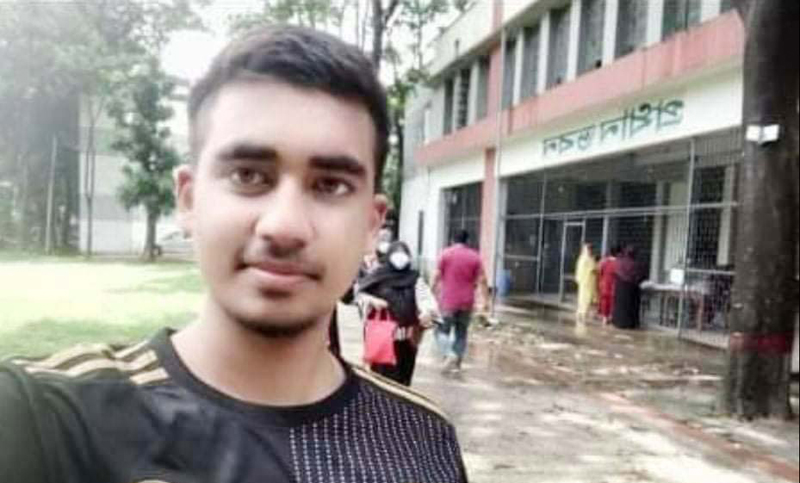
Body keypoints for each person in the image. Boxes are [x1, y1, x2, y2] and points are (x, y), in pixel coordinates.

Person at [0, 26, 468, 483]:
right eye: (248, 175)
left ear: (371, 223)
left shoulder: (422, 441)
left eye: (330, 185)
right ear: (188, 199)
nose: (284, 226)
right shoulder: (46, 419)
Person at [357, 241, 440, 386]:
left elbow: (425, 297)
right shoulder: (377, 277)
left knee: (403, 379)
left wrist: (426, 311)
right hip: (383, 339)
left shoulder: (414, 278)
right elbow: (358, 295)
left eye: (403, 255)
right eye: (397, 254)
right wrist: (372, 301)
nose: (400, 259)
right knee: (382, 380)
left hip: (407, 340)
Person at [432, 230, 489, 374]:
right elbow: (483, 280)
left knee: (440, 330)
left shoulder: (445, 254)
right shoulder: (475, 257)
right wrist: (485, 301)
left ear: (452, 240)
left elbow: (436, 276)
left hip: (448, 301)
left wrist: (431, 293)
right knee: (461, 333)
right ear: (467, 241)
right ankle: (456, 365)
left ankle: (449, 354)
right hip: (467, 302)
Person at [613, 245, 647, 330]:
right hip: (633, 289)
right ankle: (631, 323)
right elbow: (642, 276)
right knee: (632, 307)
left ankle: (619, 322)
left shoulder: (620, 262)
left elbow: (616, 272)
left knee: (621, 307)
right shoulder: (637, 264)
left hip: (621, 288)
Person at [598, 245, 621, 326]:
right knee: (612, 302)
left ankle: (604, 317)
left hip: (604, 284)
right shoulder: (618, 263)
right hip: (613, 285)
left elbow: (600, 271)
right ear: (618, 253)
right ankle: (611, 317)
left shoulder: (604, 261)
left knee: (605, 301)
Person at [575, 243, 598, 324]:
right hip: (588, 282)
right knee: (586, 299)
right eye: (590, 249)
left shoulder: (582, 258)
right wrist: (597, 269)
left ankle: (581, 313)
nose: (591, 251)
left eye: (591, 249)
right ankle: (583, 314)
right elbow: (593, 269)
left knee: (583, 298)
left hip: (585, 282)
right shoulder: (587, 259)